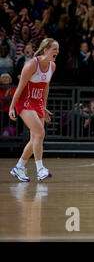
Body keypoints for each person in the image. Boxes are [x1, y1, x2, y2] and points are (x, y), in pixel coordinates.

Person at [8, 38, 59, 182]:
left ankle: (19, 167)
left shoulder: (52, 66)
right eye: (54, 49)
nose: (57, 52)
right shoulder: (31, 65)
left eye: (58, 49)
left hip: (37, 102)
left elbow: (46, 86)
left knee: (35, 138)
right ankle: (40, 169)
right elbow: (19, 87)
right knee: (40, 132)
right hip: (24, 101)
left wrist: (43, 106)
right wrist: (12, 107)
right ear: (45, 50)